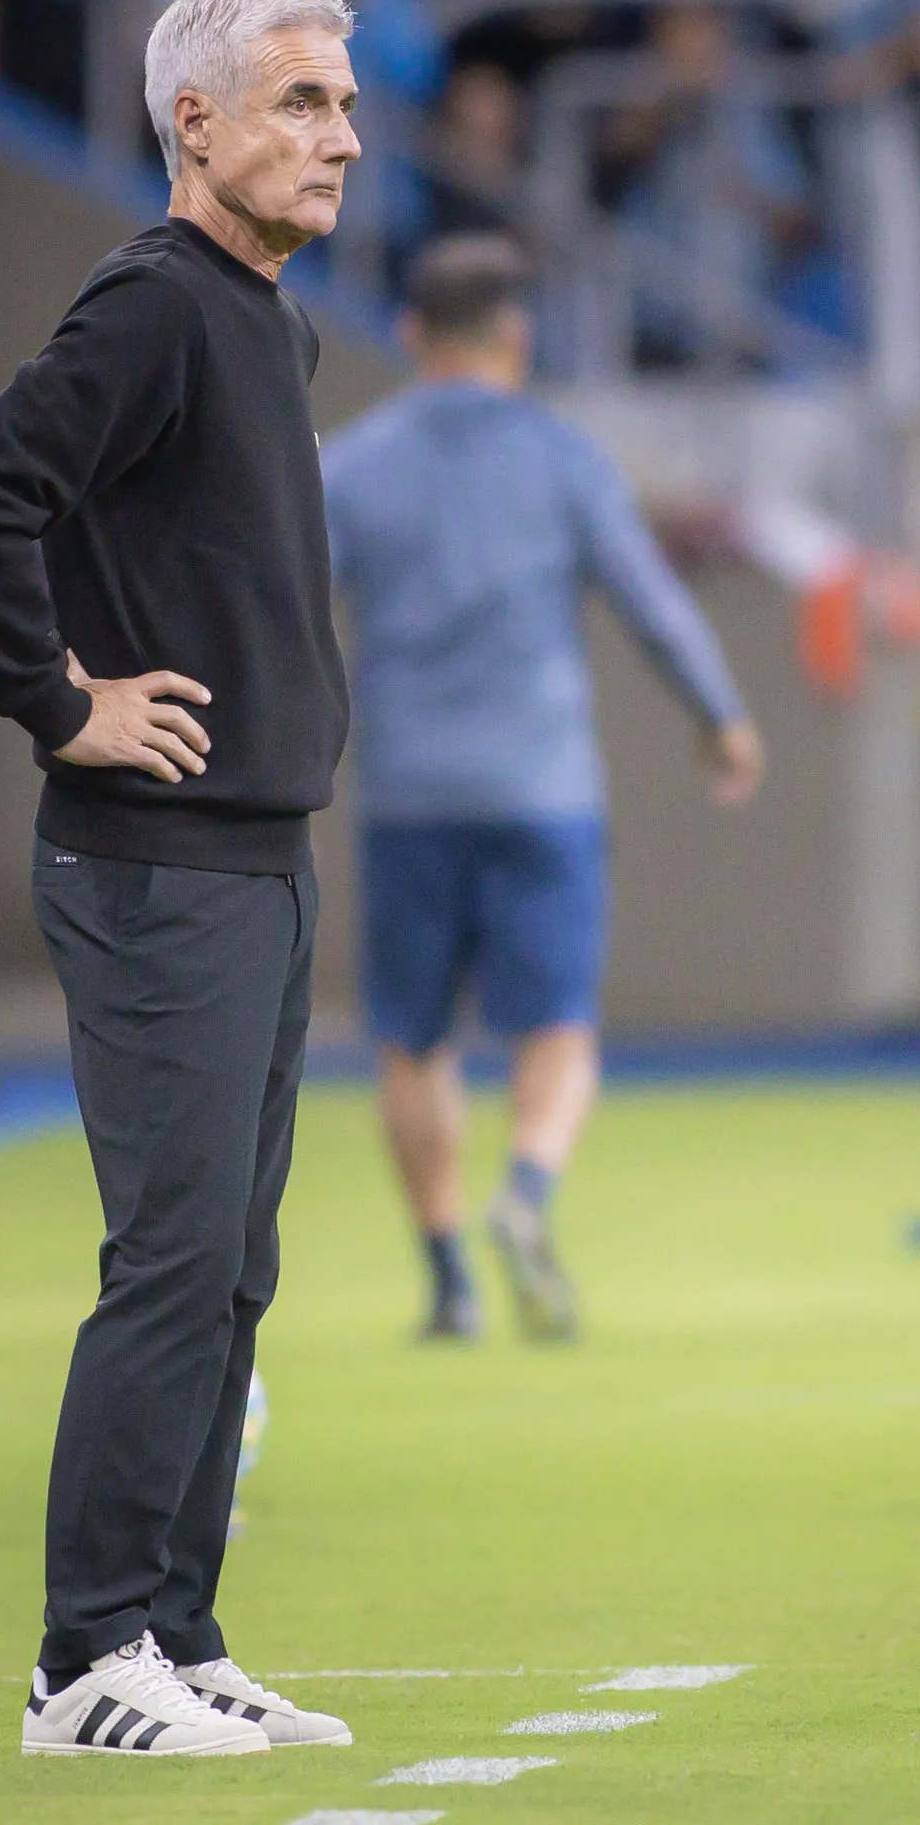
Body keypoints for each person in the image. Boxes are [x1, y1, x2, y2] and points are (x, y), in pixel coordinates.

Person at [0, 0, 362, 1762]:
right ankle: (82, 1663)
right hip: (161, 863)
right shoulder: (159, 305)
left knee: (232, 1270)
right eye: (302, 104)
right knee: (173, 1262)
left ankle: (177, 1630)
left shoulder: (272, 322)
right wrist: (58, 701)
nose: (342, 139)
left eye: (343, 106)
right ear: (195, 121)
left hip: (256, 857)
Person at [323, 233, 764, 1346]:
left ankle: (447, 1276)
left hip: (408, 789)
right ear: (518, 336)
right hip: (542, 787)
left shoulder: (353, 463)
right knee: (557, 1025)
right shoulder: (565, 458)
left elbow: (275, 606)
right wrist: (721, 716)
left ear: (413, 335)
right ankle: (526, 1187)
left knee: (413, 1039)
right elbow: (653, 603)